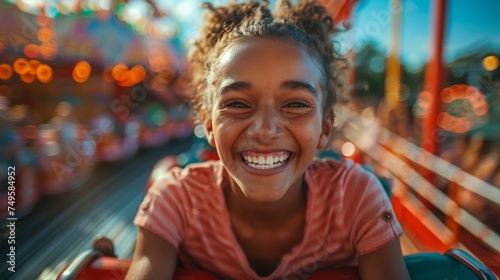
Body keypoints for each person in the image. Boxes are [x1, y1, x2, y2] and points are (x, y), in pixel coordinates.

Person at [126, 1, 410, 279]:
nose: (264, 130)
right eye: (237, 104)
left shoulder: (356, 197)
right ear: (209, 124)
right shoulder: (177, 201)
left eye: (296, 104)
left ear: (325, 127)